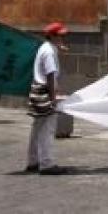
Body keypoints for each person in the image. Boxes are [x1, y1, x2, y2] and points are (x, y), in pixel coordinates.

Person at [25, 22, 68, 175]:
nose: (63, 38)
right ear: (52, 36)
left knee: (37, 128)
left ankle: (33, 161)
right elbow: (50, 75)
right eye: (60, 35)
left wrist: (59, 48)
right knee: (47, 130)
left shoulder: (45, 48)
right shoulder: (49, 52)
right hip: (44, 92)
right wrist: (53, 97)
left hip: (37, 90)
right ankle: (47, 163)